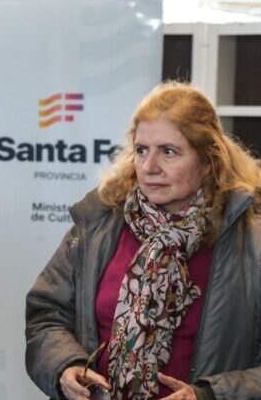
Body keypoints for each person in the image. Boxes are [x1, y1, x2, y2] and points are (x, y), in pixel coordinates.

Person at [25, 82, 261, 400]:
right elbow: (46, 314)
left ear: (207, 163)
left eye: (169, 152)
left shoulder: (250, 241)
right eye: (141, 150)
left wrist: (209, 395)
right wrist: (65, 367)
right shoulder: (98, 224)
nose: (149, 168)